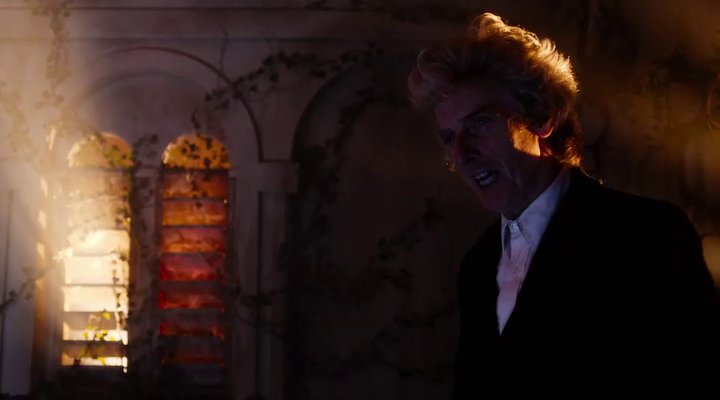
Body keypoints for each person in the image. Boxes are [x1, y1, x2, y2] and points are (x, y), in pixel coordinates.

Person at [407, 12, 720, 397]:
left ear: (543, 117)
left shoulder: (648, 235)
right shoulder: (479, 263)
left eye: (479, 124)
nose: (462, 153)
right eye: (449, 137)